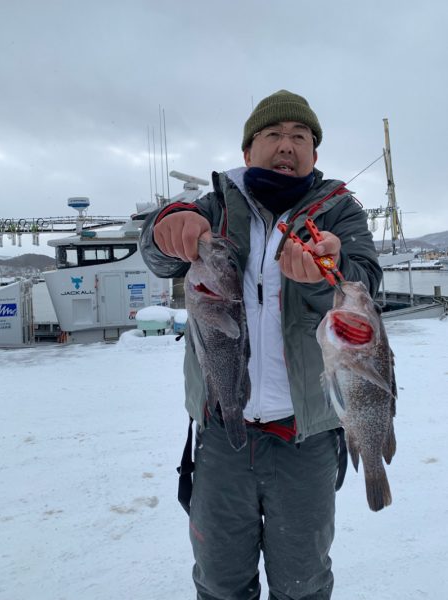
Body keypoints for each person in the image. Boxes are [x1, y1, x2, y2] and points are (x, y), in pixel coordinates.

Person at [140, 90, 382, 600]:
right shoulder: (215, 207)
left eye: (300, 136)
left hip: (308, 437)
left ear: (314, 154)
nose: (286, 145)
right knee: (221, 582)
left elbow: (365, 280)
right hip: (222, 433)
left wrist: (327, 272)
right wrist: (165, 228)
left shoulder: (339, 212)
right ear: (248, 151)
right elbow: (160, 251)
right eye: (272, 134)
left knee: (303, 583)